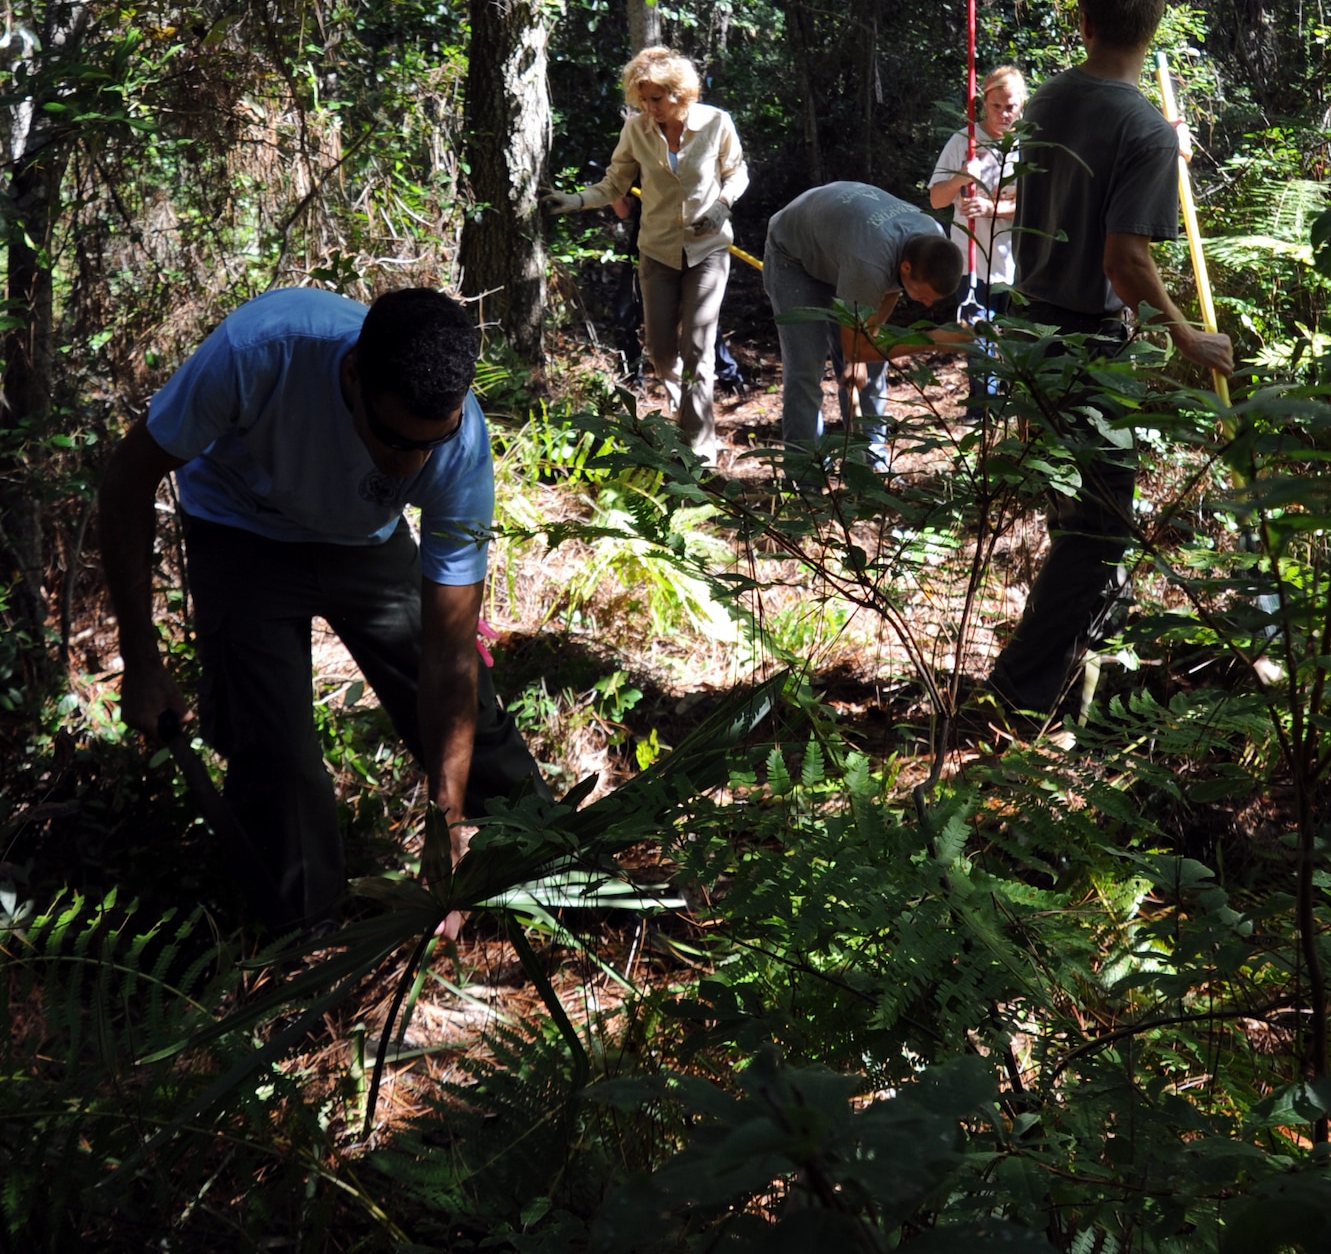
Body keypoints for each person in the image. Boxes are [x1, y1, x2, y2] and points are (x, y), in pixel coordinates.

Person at [99, 286, 546, 932]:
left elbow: (449, 655)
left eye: (430, 443)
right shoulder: (259, 353)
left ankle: (551, 868)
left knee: (470, 712)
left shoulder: (460, 444)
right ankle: (307, 945)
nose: (411, 463)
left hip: (363, 540)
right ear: (353, 375)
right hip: (240, 528)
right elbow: (128, 477)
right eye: (394, 440)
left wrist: (446, 819)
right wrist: (141, 660)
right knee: (276, 756)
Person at [988, 0, 1233, 717]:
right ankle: (1021, 690)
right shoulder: (1141, 129)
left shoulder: (1045, 100)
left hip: (1028, 327)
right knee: (1098, 522)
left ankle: (1092, 662)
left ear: (1084, 25)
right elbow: (1123, 260)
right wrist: (1189, 339)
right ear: (1151, 30)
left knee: (1079, 509)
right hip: (1083, 335)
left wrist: (1158, 149)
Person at [547, 47, 748, 464]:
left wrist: (721, 206)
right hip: (656, 251)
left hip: (708, 249)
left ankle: (699, 452)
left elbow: (737, 172)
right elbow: (613, 183)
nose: (649, 107)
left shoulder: (715, 123)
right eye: (643, 99)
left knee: (697, 346)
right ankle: (685, 414)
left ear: (680, 93)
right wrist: (573, 200)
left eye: (657, 98)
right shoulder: (637, 130)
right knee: (660, 350)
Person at [762, 182, 967, 478]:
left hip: (842, 249)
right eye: (925, 295)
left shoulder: (931, 234)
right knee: (806, 369)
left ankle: (870, 460)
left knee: (870, 364)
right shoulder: (869, 262)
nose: (926, 305)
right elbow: (857, 346)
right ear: (908, 268)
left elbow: (890, 289)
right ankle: (804, 477)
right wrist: (933, 340)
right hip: (794, 256)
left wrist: (862, 349)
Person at [929, 65, 1027, 413]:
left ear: (1022, 104)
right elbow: (937, 199)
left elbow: (1038, 203)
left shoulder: (1028, 145)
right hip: (971, 262)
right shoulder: (963, 140)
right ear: (984, 102)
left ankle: (1011, 412)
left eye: (1011, 106)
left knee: (1013, 339)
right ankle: (983, 410)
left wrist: (991, 207)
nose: (1003, 114)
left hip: (1016, 263)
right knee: (979, 337)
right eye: (996, 106)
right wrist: (959, 178)